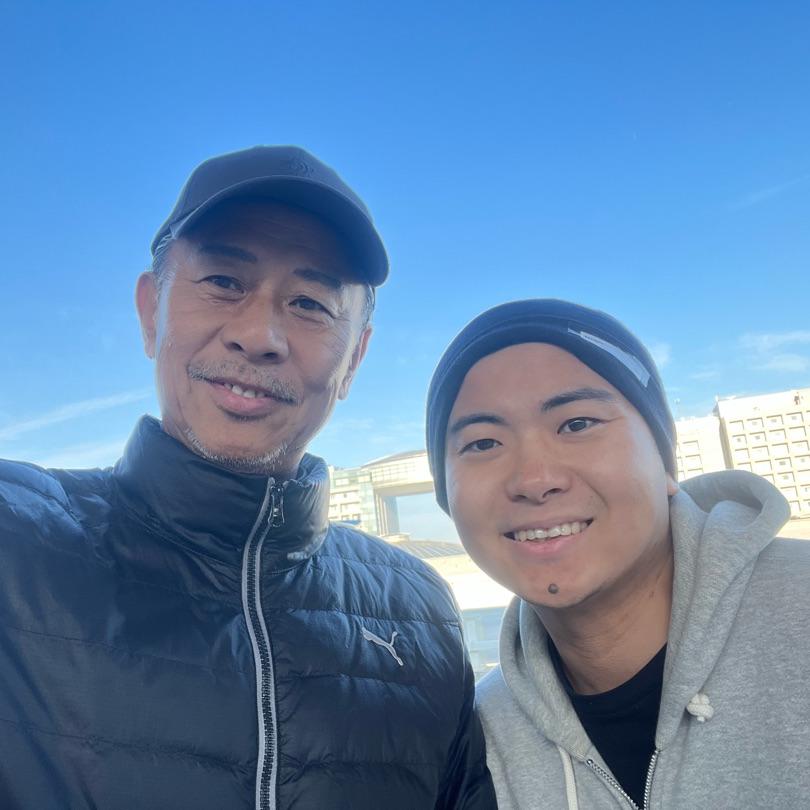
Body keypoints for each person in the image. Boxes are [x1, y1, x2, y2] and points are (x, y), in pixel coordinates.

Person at [0, 146, 495, 810]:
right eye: (224, 282)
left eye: (311, 303)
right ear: (151, 311)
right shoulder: (17, 540)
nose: (260, 334)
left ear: (354, 359)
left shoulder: (420, 610)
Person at [425, 298, 810, 809]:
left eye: (577, 424)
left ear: (665, 460)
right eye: (482, 444)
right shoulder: (476, 742)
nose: (535, 480)